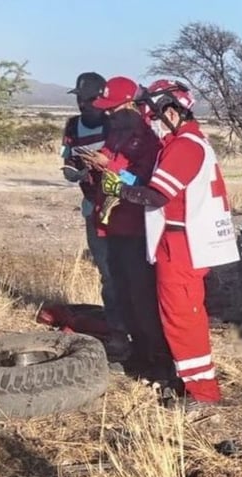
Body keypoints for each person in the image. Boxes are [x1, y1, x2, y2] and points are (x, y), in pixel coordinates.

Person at [99, 79, 240, 410]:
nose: (153, 121)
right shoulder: (188, 142)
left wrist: (118, 189)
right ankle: (190, 380)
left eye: (156, 114)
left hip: (181, 243)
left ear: (172, 111)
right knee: (178, 314)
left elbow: (157, 195)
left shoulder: (185, 146)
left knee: (183, 316)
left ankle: (203, 392)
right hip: (176, 239)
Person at [82, 76, 172, 379]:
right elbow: (109, 156)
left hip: (134, 227)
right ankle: (136, 351)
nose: (108, 114)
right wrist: (96, 162)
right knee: (120, 289)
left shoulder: (147, 139)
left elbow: (148, 182)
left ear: (132, 105)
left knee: (140, 294)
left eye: (113, 108)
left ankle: (156, 358)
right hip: (110, 224)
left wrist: (113, 170)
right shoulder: (117, 132)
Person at [60, 72, 130, 360]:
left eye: (89, 99)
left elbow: (133, 168)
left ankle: (140, 331)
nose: (83, 105)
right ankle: (117, 333)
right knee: (109, 274)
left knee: (132, 272)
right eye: (79, 99)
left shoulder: (117, 125)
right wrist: (75, 171)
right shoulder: (72, 125)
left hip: (123, 207)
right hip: (93, 207)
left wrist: (108, 166)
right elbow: (67, 163)